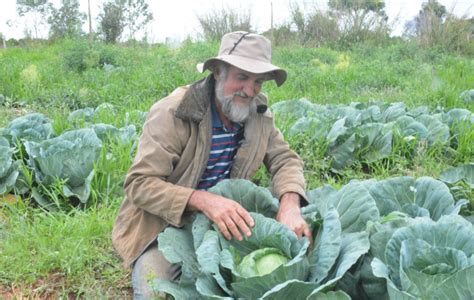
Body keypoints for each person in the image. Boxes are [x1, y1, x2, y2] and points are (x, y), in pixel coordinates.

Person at [112, 31, 312, 299]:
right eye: (242, 77)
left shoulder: (258, 112)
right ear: (218, 72)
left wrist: (289, 204)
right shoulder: (174, 113)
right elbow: (139, 184)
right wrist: (203, 200)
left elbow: (284, 159)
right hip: (167, 226)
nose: (250, 90)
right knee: (153, 292)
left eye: (258, 81)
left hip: (227, 225)